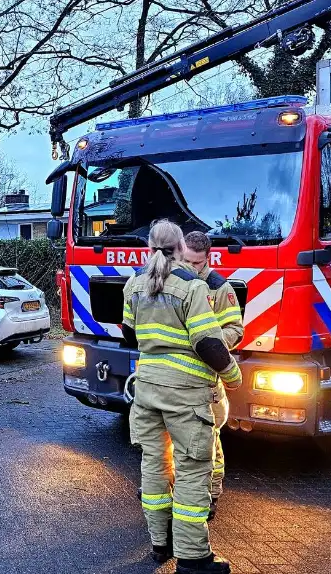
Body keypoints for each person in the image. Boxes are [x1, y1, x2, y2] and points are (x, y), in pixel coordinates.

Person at [123, 219, 242, 573]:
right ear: (179, 249)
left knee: (154, 467)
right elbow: (208, 343)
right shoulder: (191, 287)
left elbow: (131, 339)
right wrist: (232, 376)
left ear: (149, 247)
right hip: (186, 398)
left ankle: (161, 545)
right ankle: (192, 558)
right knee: (192, 472)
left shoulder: (134, 284)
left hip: (146, 392)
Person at [182, 231, 244, 519]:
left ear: (208, 258)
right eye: (186, 260)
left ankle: (212, 493)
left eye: (197, 263)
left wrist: (211, 344)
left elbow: (235, 328)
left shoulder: (219, 288)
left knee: (209, 438)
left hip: (207, 373)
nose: (192, 268)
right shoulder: (177, 280)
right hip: (181, 376)